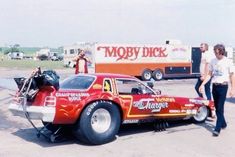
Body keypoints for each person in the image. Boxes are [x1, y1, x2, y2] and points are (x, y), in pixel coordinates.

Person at [199, 44, 235, 137]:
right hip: (215, 86)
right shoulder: (212, 61)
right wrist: (202, 84)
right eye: (215, 52)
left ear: (222, 52)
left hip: (223, 87)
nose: (215, 54)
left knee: (219, 108)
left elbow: (232, 76)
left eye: (217, 52)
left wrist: (233, 89)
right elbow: (210, 74)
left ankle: (217, 129)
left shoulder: (228, 62)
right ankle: (223, 124)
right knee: (218, 107)